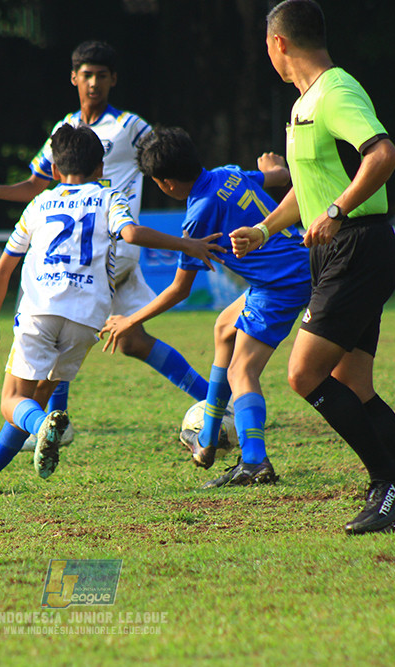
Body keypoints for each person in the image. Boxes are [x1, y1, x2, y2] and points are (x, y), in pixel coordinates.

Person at [230, 0, 395, 534]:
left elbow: (384, 155)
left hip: (358, 248)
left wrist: (336, 211)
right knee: (352, 383)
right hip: (342, 249)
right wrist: (265, 228)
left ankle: (391, 484)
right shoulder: (303, 104)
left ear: (279, 43)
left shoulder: (337, 91)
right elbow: (313, 190)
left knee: (303, 374)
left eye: (266, 45)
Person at [0, 40, 211, 449]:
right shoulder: (63, 131)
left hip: (109, 246)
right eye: (87, 74)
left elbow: (168, 160)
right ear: (74, 78)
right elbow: (36, 185)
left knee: (51, 312)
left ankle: (44, 424)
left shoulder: (130, 127)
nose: (94, 82)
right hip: (101, 247)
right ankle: (214, 400)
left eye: (102, 74)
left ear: (113, 79)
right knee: (132, 339)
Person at [0, 125, 222, 496]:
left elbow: (3, 269)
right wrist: (186, 243)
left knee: (12, 402)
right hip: (87, 319)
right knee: (34, 400)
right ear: (101, 168)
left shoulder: (39, 204)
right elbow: (131, 235)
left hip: (40, 311)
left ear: (53, 171)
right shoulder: (109, 196)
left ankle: (43, 430)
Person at [101, 127, 310, 488]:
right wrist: (278, 170)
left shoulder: (199, 213)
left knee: (241, 371)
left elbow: (180, 290)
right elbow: (276, 176)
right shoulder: (227, 173)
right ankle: (208, 441)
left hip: (281, 283)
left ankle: (255, 463)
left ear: (165, 183)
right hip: (297, 264)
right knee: (223, 328)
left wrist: (129, 320)